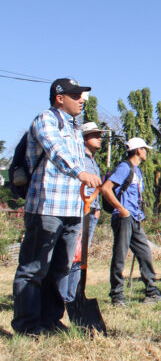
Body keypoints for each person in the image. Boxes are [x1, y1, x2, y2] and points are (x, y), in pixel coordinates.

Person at [11, 78, 101, 335]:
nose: (81, 99)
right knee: (34, 268)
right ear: (59, 97)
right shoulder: (46, 120)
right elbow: (55, 149)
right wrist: (80, 172)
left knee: (60, 269)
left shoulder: (75, 127)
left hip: (73, 209)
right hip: (46, 206)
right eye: (75, 95)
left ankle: (50, 321)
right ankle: (27, 325)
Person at [101, 137, 161, 305]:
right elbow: (106, 189)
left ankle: (152, 292)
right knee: (120, 255)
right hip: (124, 217)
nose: (146, 152)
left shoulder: (138, 171)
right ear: (138, 150)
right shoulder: (124, 167)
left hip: (136, 218)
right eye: (145, 149)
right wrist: (121, 210)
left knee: (145, 253)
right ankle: (117, 295)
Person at [57, 121, 107, 303]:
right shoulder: (79, 160)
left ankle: (74, 296)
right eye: (95, 135)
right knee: (72, 255)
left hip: (91, 211)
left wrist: (98, 208)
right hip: (80, 212)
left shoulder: (93, 161)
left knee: (81, 257)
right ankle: (62, 297)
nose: (99, 139)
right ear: (84, 139)